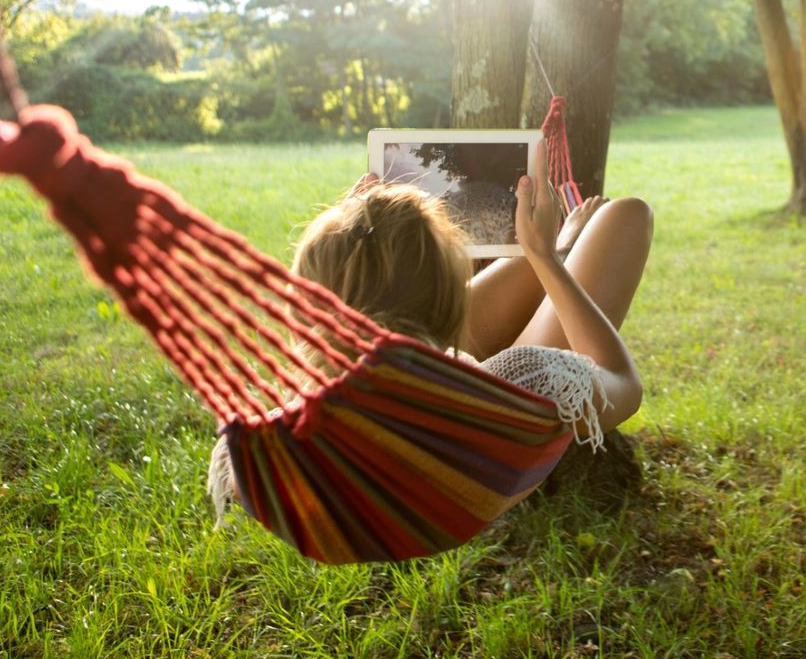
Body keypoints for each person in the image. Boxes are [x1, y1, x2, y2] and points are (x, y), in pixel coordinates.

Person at [208, 155, 651, 516]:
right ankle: (559, 247)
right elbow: (621, 383)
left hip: (415, 389)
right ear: (450, 300)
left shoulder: (283, 434)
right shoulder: (522, 381)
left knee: (376, 251)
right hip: (473, 406)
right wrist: (545, 259)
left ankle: (559, 246)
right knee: (626, 215)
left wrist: (359, 236)